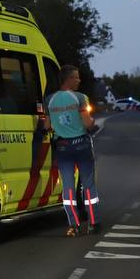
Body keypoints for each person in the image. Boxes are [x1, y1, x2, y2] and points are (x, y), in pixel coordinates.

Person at [45, 64, 99, 237]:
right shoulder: (80, 98)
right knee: (88, 184)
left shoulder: (50, 100)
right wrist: (93, 125)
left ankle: (73, 225)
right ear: (68, 80)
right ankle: (92, 223)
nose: (79, 80)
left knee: (68, 187)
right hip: (81, 145)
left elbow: (46, 125)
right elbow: (87, 122)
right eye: (76, 77)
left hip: (62, 147)